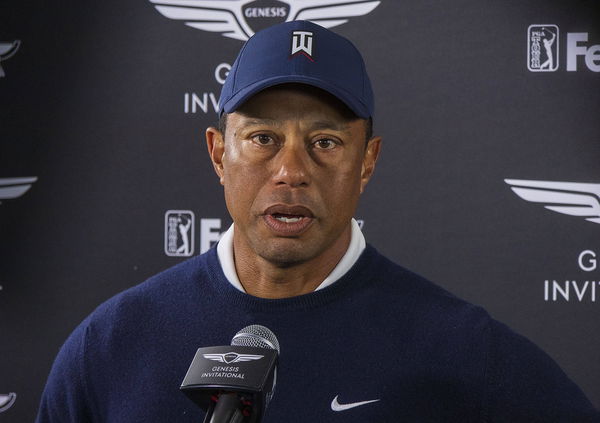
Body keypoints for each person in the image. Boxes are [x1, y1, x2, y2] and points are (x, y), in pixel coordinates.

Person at [36, 20, 599, 422]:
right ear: (217, 153)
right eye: (262, 139)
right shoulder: (110, 345)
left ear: (367, 162)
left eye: (324, 142)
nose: (290, 171)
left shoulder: (462, 351)